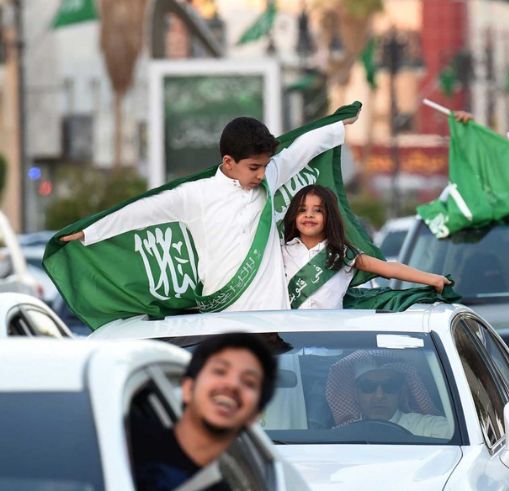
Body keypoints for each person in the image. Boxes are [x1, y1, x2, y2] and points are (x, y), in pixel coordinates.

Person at [60, 113, 358, 311]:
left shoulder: (269, 177)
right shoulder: (196, 195)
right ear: (228, 162)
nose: (261, 174)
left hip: (275, 317)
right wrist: (91, 230)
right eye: (253, 167)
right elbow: (141, 211)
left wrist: (338, 126)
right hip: (223, 316)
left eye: (265, 166)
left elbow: (300, 150)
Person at [130, 332, 277, 491]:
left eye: (249, 382)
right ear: (188, 388)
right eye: (220, 371)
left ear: (254, 416)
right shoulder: (123, 436)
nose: (232, 384)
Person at [281, 185, 450, 309]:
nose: (309, 215)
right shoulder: (280, 252)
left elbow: (388, 269)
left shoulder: (342, 253)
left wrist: (431, 279)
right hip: (293, 340)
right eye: (302, 210)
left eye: (317, 210)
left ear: (329, 216)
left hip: (330, 340)